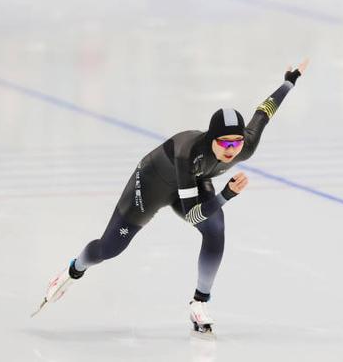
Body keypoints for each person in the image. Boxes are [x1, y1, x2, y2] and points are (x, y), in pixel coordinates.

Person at [34, 60, 309, 333]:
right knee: (110, 248)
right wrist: (226, 194)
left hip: (194, 182)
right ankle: (74, 269)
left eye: (236, 143)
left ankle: (199, 303)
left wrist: (289, 81)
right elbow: (191, 214)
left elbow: (265, 111)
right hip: (154, 183)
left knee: (215, 229)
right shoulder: (187, 152)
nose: (231, 150)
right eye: (224, 143)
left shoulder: (245, 146)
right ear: (211, 139)